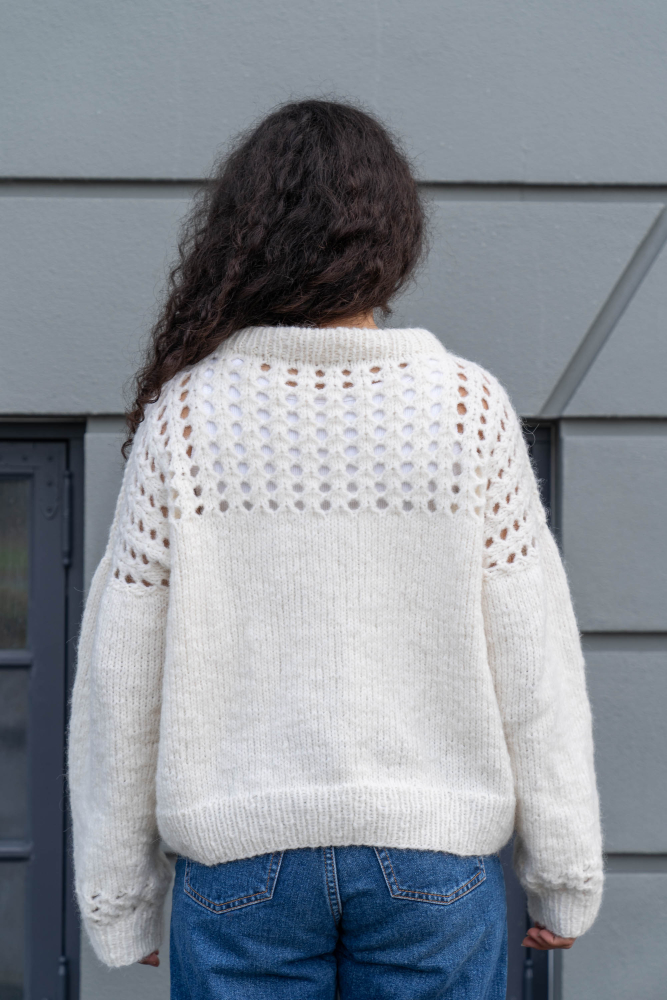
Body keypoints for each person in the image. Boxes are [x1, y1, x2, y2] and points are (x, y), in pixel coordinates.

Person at [68, 99, 603, 999]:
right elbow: (533, 657)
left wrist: (121, 897)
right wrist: (564, 870)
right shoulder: (466, 409)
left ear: (244, 238)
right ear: (393, 240)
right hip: (433, 860)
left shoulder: (187, 417)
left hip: (240, 868)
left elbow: (121, 674)